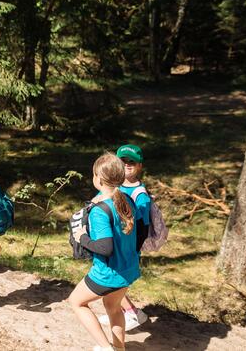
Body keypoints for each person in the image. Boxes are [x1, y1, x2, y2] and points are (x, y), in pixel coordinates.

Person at [69, 153, 140, 351]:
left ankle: (105, 347)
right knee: (114, 308)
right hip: (127, 268)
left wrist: (82, 237)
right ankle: (119, 348)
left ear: (98, 179)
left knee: (76, 302)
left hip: (107, 274)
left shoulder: (100, 210)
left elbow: (105, 248)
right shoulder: (127, 199)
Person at [98, 144, 150, 331]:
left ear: (139, 166)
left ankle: (132, 312)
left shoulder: (139, 195)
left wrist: (131, 250)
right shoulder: (115, 186)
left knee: (114, 279)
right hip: (108, 241)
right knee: (111, 279)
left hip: (123, 247)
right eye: (123, 161)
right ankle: (119, 309)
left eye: (132, 162)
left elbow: (143, 228)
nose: (127, 164)